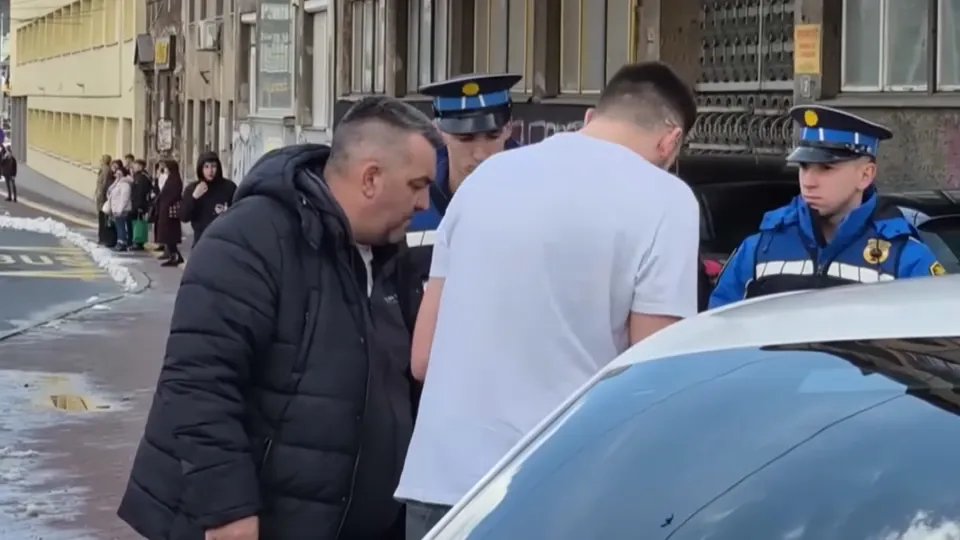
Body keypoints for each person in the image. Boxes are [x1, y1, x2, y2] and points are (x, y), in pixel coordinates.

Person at [397, 61, 701, 539]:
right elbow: (650, 378)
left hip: (442, 489)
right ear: (670, 141)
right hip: (558, 493)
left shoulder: (484, 181)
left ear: (590, 119)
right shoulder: (667, 199)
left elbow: (423, 358)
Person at [117, 96, 442, 540]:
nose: (424, 202)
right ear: (371, 178)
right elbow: (198, 384)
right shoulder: (251, 239)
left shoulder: (391, 257)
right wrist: (228, 512)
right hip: (257, 525)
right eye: (417, 185)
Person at [709, 105, 947, 309]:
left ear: (865, 175)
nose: (808, 181)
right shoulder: (761, 248)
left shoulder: (904, 257)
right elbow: (719, 329)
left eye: (826, 168)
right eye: (804, 166)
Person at [180, 151, 237, 246]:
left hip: (224, 241)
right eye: (206, 167)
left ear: (218, 167)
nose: (210, 171)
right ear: (200, 168)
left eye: (213, 166)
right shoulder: (192, 189)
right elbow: (184, 217)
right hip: (201, 241)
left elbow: (238, 212)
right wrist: (194, 197)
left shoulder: (229, 187)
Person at [153, 159, 184, 267]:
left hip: (169, 211)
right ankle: (173, 255)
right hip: (165, 209)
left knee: (169, 235)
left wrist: (166, 201)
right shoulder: (170, 178)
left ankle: (175, 256)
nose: (165, 169)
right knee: (167, 235)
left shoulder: (175, 179)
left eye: (166, 167)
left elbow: (174, 194)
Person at [95, 154, 116, 247]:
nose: (100, 161)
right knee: (102, 218)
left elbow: (103, 185)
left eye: (102, 159)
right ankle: (102, 237)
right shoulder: (104, 169)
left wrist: (100, 196)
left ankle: (103, 238)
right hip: (101, 197)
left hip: (102, 198)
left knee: (103, 218)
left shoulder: (105, 170)